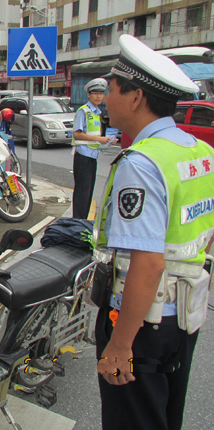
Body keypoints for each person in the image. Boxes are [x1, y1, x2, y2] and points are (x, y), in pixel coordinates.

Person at [93, 34, 214, 430]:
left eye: (110, 90)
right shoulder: (198, 151)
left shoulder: (142, 163)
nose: (104, 99)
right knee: (164, 417)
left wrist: (120, 344)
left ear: (135, 97)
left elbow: (147, 263)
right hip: (184, 316)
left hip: (142, 324)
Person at [71, 78, 116, 219]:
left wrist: (107, 141)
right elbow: (77, 134)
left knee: (89, 192)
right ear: (88, 95)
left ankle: (83, 222)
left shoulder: (97, 112)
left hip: (93, 155)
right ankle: (78, 222)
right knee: (82, 192)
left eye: (101, 93)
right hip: (83, 155)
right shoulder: (83, 111)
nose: (98, 96)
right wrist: (98, 139)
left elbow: (95, 135)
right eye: (95, 93)